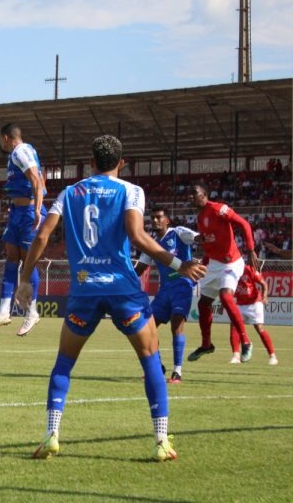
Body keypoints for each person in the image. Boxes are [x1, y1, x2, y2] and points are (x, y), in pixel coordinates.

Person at [14, 135, 205, 461]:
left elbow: (43, 235)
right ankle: (161, 441)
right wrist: (178, 264)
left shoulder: (69, 193)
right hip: (123, 291)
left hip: (84, 291)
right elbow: (137, 236)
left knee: (64, 362)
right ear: (122, 162)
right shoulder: (131, 191)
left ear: (91, 162)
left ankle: (51, 435)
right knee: (150, 359)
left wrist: (24, 279)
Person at [0, 123, 46, 337]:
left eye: (1, 140)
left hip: (29, 212)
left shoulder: (21, 151)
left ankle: (32, 311)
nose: (1, 143)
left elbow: (37, 180)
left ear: (6, 137)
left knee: (27, 261)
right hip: (17, 212)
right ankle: (3, 310)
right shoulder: (16, 155)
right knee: (11, 258)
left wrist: (38, 209)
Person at [186, 184, 257, 363]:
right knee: (203, 304)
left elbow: (244, 224)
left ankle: (246, 341)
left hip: (231, 262)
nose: (190, 197)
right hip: (214, 264)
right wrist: (202, 265)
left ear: (204, 195)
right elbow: (210, 247)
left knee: (225, 297)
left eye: (194, 194)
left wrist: (251, 250)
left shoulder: (219, 209)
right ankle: (206, 344)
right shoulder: (200, 218)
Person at [134, 206, 199, 383]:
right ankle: (158, 367)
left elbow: (198, 237)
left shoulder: (178, 233)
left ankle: (177, 372)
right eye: (152, 218)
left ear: (167, 220)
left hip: (182, 285)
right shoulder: (151, 244)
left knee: (176, 324)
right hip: (164, 290)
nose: (155, 221)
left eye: (159, 217)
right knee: (146, 327)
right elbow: (140, 268)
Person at [230, 265, 278, 365]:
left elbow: (263, 284)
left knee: (259, 328)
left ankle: (272, 356)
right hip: (240, 303)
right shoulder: (229, 270)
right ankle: (236, 356)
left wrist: (264, 297)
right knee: (234, 326)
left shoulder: (249, 269)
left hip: (254, 303)